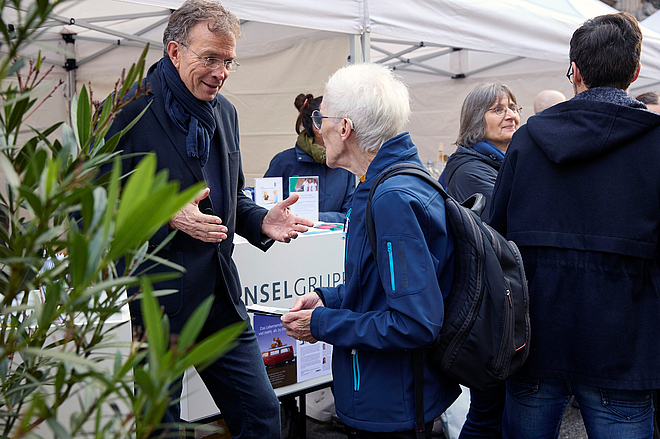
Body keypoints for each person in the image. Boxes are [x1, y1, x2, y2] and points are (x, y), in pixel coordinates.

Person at [103, 1, 313, 437]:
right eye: (211, 58)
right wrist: (162, 212)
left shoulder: (226, 114)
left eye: (229, 61)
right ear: (175, 51)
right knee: (161, 428)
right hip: (159, 303)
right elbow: (88, 201)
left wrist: (258, 219)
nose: (221, 72)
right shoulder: (124, 109)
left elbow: (228, 194)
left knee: (261, 416)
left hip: (220, 297)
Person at [489, 12, 660, 438]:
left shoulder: (526, 139)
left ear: (575, 71)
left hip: (536, 336)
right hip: (625, 341)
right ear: (636, 72)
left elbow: (495, 236)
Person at [281, 63, 460, 438]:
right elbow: (383, 288)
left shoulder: (390, 198)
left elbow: (415, 322)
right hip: (395, 396)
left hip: (393, 405)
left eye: (321, 117)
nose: (318, 127)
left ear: (344, 128)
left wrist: (322, 324)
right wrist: (327, 298)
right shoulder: (388, 182)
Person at [440, 82, 521, 439]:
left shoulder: (499, 161)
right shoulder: (471, 168)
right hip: (485, 306)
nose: (511, 115)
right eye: (498, 109)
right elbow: (509, 224)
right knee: (489, 411)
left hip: (497, 300)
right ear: (476, 119)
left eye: (513, 107)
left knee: (496, 409)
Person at [264, 93, 355, 223]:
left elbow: (351, 214)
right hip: (290, 240)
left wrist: (316, 218)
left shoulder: (345, 164)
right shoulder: (283, 162)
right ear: (317, 125)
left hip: (334, 242)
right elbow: (265, 210)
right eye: (335, 120)